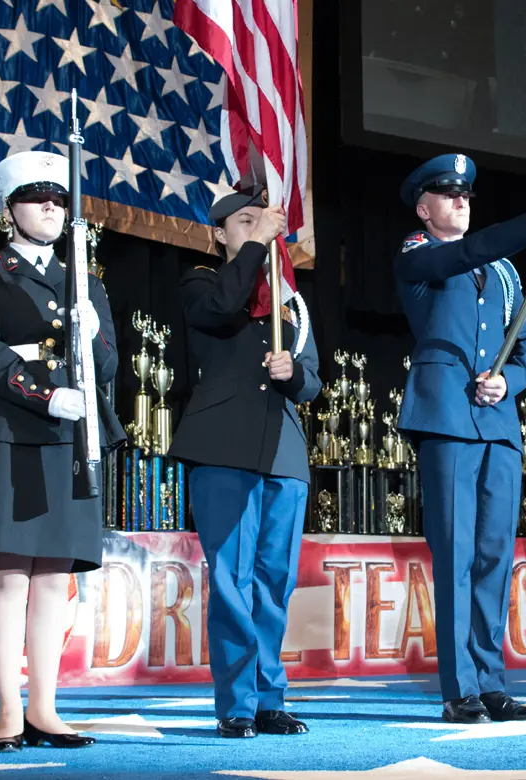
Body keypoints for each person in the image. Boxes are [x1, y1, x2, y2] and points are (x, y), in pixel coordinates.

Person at [394, 153, 526, 724]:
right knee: (454, 554)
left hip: (497, 426)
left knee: (493, 557)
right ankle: (460, 688)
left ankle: (490, 680)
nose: (462, 201)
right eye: (448, 194)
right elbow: (464, 253)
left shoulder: (504, 273)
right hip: (447, 420)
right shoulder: (420, 253)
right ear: (424, 208)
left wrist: (510, 381)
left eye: (467, 195)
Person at [0, 150, 124, 751]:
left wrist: (91, 332)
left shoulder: (86, 281)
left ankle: (45, 707)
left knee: (54, 577)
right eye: (37, 198)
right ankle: (6, 710)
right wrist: (45, 392)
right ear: (8, 210)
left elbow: (107, 366)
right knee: (9, 575)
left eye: (59, 198)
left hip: (68, 439)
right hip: (8, 428)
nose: (51, 206)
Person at [169, 187, 321, 739]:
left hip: (283, 451)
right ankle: (237, 703)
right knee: (232, 582)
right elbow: (220, 308)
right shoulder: (202, 281)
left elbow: (313, 380)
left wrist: (294, 373)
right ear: (220, 232)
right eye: (246, 221)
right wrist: (259, 243)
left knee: (274, 582)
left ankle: (269, 698)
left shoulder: (291, 300)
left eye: (264, 221)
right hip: (223, 448)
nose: (259, 228)